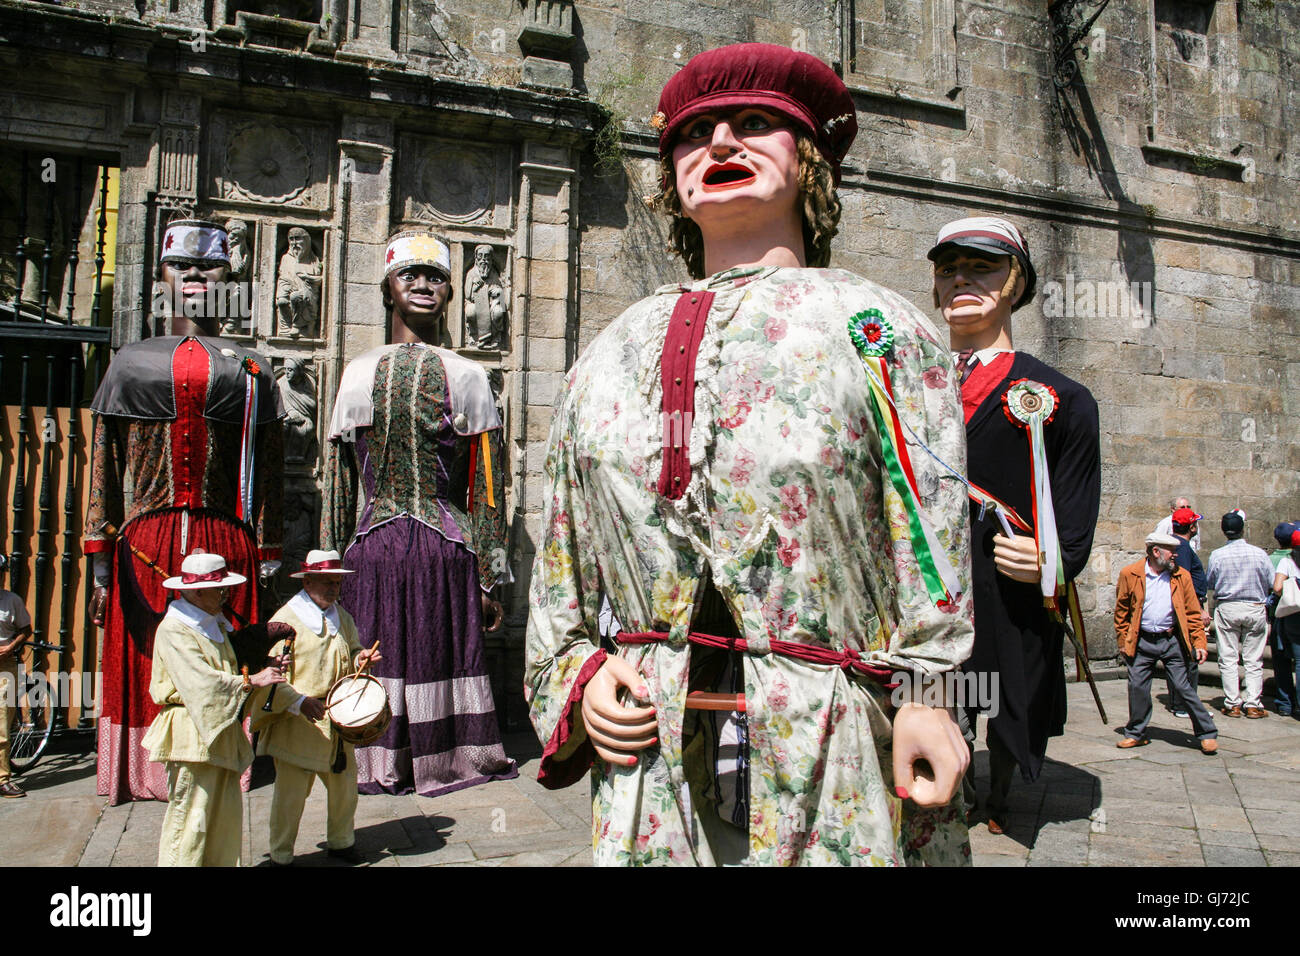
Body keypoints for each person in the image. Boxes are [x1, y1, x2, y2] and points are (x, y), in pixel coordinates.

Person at [526, 42, 974, 866]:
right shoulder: (606, 353)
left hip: (832, 731)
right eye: (695, 134)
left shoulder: (876, 328)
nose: (722, 143)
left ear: (808, 162)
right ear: (672, 178)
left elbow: (929, 527)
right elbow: (563, 553)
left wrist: (925, 692)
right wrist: (580, 674)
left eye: (756, 124)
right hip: (651, 742)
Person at [86, 218, 285, 804]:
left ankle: (228, 753)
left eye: (212, 265)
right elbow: (103, 463)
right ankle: (147, 767)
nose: (197, 275)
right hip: (147, 545)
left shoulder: (254, 368)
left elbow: (269, 470)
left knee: (229, 652)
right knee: (150, 655)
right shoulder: (130, 361)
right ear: (160, 277)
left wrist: (269, 552)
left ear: (232, 277)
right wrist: (99, 556)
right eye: (181, 265)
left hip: (228, 544)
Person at [321, 229, 516, 797]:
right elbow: (337, 479)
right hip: (373, 551)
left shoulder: (469, 376)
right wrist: (326, 565)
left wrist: (488, 574)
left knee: (437, 653)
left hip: (444, 551)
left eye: (436, 277)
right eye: (410, 275)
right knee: (372, 659)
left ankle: (445, 755)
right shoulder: (357, 372)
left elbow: (487, 486)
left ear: (452, 292)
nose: (425, 286)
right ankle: (373, 757)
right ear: (387, 288)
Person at [929, 215, 1101, 834]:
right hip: (929, 576)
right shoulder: (902, 385)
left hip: (1007, 578)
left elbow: (1075, 508)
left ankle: (998, 795)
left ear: (1015, 283)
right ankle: (951, 783)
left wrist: (1053, 559)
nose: (961, 280)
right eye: (948, 269)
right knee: (934, 691)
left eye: (982, 267)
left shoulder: (1061, 396)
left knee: (1003, 692)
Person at [143, 552, 288, 866]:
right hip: (190, 735)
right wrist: (252, 681)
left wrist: (265, 668)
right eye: (219, 589)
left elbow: (228, 668)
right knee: (191, 820)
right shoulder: (175, 630)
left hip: (217, 732)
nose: (225, 594)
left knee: (223, 819)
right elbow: (200, 681)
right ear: (196, 592)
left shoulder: (214, 626)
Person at [251, 550, 380, 865]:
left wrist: (359, 658)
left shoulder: (341, 616)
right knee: (291, 795)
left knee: (345, 787)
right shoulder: (286, 621)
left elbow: (351, 650)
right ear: (307, 581)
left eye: (337, 582)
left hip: (335, 716)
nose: (334, 588)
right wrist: (298, 701)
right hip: (299, 718)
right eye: (327, 582)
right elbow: (272, 676)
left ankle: (341, 841)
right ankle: (280, 855)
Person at [1113, 533, 1218, 753]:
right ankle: (1136, 733)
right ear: (1155, 551)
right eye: (1170, 550)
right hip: (1142, 640)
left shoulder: (1181, 576)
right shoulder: (1130, 574)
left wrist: (1199, 642)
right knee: (1137, 687)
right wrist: (1123, 640)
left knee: (1182, 687)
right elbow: (1121, 611)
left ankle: (1206, 733)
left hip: (1171, 641)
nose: (1175, 555)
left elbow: (1192, 613)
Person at [1206, 510, 1274, 719]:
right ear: (1243, 529)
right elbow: (1271, 582)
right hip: (1254, 606)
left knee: (1228, 657)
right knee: (1253, 659)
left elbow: (1210, 582)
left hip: (1228, 606)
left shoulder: (1217, 554)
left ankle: (1232, 702)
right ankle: (1253, 703)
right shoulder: (1259, 554)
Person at [1165, 506, 1209, 718]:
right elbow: (1182, 582)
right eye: (1195, 523)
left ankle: (1182, 703)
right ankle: (1184, 705)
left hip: (1187, 609)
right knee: (1188, 660)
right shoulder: (1181, 548)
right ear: (1191, 526)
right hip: (1187, 611)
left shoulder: (1180, 546)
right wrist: (1198, 610)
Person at [0, 564, 33, 799]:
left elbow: (25, 629)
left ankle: (2, 778)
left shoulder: (11, 600)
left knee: (1, 722)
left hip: (5, 665)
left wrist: (10, 647)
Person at [1267, 522, 1298, 716]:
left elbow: (1277, 588)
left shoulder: (1285, 561)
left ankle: (1285, 703)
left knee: (1282, 661)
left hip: (1286, 614)